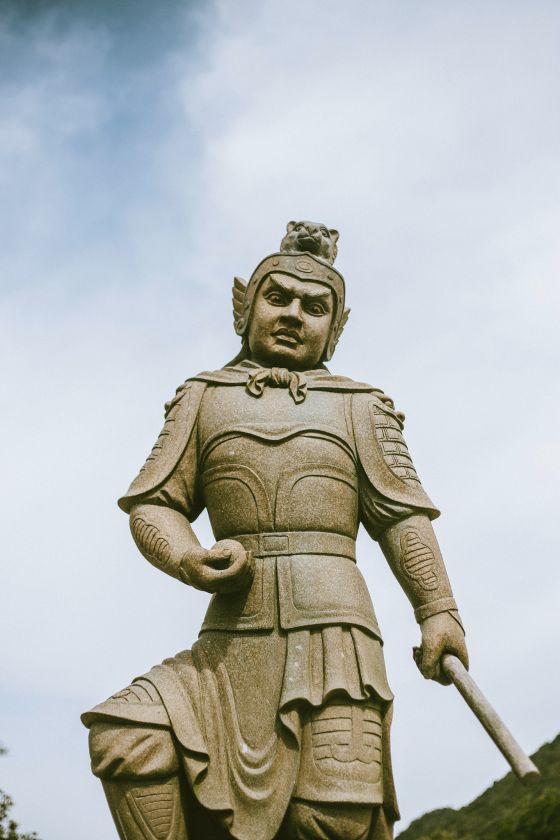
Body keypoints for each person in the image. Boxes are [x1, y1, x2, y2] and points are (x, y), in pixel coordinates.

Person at [82, 221, 468, 840]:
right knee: (128, 737)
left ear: (335, 328)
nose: (293, 315)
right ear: (246, 308)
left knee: (330, 819)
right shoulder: (203, 398)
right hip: (232, 637)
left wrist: (438, 610)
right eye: (278, 298)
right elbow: (154, 504)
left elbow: (402, 517)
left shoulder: (361, 406)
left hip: (337, 640)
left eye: (314, 307)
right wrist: (188, 557)